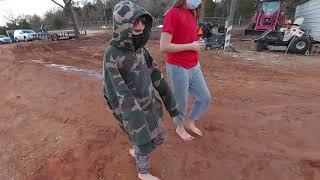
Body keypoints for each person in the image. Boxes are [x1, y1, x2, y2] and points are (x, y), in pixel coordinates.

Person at [103, 1, 180, 180]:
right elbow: (118, 92)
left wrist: (172, 106)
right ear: (123, 28)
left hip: (148, 102)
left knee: (159, 136)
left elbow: (156, 74)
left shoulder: (140, 50)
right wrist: (135, 124)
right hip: (129, 108)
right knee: (143, 139)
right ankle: (143, 172)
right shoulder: (112, 54)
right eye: (135, 32)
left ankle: (137, 149)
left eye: (141, 32)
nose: (139, 35)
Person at [160, 0, 211, 141]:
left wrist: (198, 43)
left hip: (194, 65)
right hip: (178, 67)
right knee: (181, 102)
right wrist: (191, 46)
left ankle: (190, 121)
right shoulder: (172, 14)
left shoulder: (191, 13)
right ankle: (180, 127)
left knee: (204, 98)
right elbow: (164, 46)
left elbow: (189, 38)